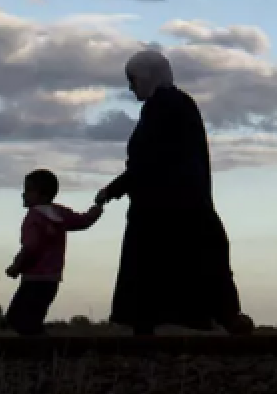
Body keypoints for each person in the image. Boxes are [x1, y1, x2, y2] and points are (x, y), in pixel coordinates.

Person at [95, 49, 254, 336]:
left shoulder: (163, 107)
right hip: (181, 202)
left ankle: (153, 322)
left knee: (159, 265)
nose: (131, 87)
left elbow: (151, 159)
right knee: (200, 259)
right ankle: (219, 316)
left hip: (165, 207)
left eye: (133, 80)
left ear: (148, 77)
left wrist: (116, 187)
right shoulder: (175, 104)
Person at [4, 169, 103, 336]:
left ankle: (42, 352)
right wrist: (97, 209)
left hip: (33, 278)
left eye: (28, 190)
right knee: (32, 318)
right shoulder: (59, 213)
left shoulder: (34, 218)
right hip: (52, 279)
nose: (24, 194)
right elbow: (83, 221)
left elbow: (31, 247)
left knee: (17, 318)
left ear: (42, 195)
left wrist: (16, 266)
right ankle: (42, 352)